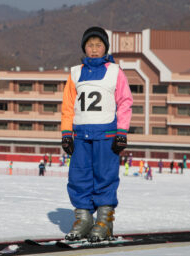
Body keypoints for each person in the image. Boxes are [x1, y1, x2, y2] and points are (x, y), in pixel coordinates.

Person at [60, 26, 133, 242]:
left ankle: (104, 220)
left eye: (98, 45)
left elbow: (125, 102)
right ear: (84, 47)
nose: (94, 49)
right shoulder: (75, 72)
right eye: (90, 45)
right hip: (81, 136)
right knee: (78, 177)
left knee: (105, 177)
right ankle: (83, 219)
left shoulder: (115, 71)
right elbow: (68, 106)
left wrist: (122, 132)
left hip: (107, 135)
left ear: (105, 48)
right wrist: (66, 132)